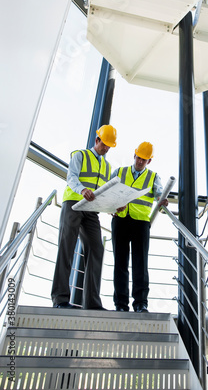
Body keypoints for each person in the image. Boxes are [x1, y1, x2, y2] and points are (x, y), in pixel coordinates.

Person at [51, 124, 117, 310]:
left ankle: (92, 303)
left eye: (109, 146)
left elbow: (103, 192)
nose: (106, 148)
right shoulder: (80, 155)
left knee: (97, 249)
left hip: (91, 210)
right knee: (67, 247)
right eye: (104, 144)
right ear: (97, 140)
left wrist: (112, 206)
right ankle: (60, 299)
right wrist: (82, 190)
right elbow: (71, 177)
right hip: (73, 204)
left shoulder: (107, 166)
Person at [111, 142, 168, 313]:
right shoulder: (119, 172)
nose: (140, 162)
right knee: (120, 264)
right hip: (120, 220)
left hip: (141, 223)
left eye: (144, 159)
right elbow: (107, 193)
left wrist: (162, 200)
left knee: (140, 264)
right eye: (138, 158)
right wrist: (112, 207)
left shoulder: (153, 177)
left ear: (149, 161)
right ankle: (121, 305)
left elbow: (159, 194)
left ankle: (140, 303)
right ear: (134, 155)